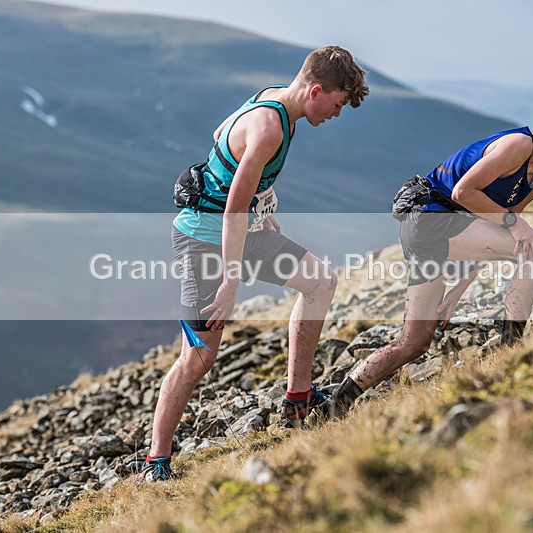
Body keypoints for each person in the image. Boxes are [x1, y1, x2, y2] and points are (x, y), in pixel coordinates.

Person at [139, 46, 369, 482]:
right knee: (200, 357)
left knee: (320, 281)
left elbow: (219, 137)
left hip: (246, 231)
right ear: (316, 90)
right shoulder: (269, 129)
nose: (337, 114)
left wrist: (264, 212)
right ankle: (156, 461)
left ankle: (298, 399)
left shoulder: (275, 98)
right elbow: (232, 210)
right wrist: (231, 283)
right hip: (204, 241)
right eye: (338, 104)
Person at [314, 93, 533, 420]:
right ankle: (511, 348)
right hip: (427, 220)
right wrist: (517, 223)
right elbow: (463, 194)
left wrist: (459, 288)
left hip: (437, 235)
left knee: (413, 343)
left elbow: (493, 234)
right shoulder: (517, 146)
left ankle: (335, 404)